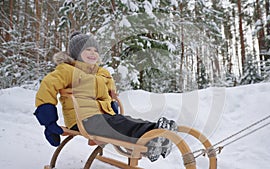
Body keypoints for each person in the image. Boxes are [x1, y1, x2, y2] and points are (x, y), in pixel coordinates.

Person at [33, 31, 177, 162]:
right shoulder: (67, 70)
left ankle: (155, 133)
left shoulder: (102, 72)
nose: (92, 53)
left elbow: (110, 90)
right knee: (117, 124)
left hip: (104, 116)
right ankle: (151, 135)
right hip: (83, 119)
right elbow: (47, 88)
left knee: (125, 120)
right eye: (87, 49)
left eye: (95, 50)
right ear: (76, 53)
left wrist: (112, 99)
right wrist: (49, 122)